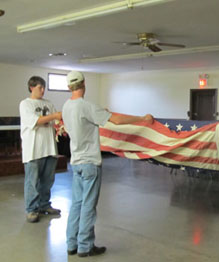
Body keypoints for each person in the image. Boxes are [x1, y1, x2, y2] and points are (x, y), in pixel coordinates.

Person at [63, 71, 153, 257]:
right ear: (84, 84)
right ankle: (85, 246)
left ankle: (71, 244)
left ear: (68, 87)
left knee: (77, 205)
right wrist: (142, 118)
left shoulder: (66, 106)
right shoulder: (87, 106)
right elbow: (117, 120)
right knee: (88, 206)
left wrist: (100, 112)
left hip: (76, 163)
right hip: (90, 163)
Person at [19, 76, 62, 223]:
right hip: (33, 150)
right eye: (39, 87)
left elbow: (56, 120)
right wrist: (54, 116)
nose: (43, 90)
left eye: (44, 87)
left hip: (49, 148)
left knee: (47, 180)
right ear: (31, 87)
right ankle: (31, 209)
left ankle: (44, 205)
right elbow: (36, 121)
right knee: (32, 181)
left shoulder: (48, 104)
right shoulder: (25, 104)